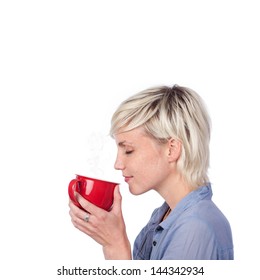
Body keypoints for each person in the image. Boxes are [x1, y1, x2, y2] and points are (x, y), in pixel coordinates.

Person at [69, 84, 234, 260]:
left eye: (129, 150)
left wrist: (115, 245)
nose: (117, 164)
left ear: (171, 149)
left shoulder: (194, 230)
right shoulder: (163, 216)